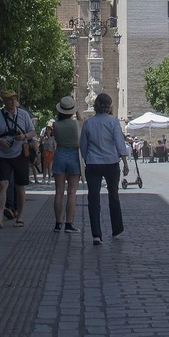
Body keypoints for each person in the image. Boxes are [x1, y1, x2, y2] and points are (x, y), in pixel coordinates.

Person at [80, 93, 130, 244]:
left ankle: (96, 234)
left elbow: (83, 145)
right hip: (111, 163)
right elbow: (119, 143)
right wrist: (125, 161)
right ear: (109, 107)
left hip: (93, 163)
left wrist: (87, 159)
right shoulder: (113, 122)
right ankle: (116, 229)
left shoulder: (88, 123)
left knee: (93, 197)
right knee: (113, 196)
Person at [0, 90, 35, 226]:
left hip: (20, 153)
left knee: (20, 186)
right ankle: (0, 219)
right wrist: (0, 141)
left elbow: (32, 132)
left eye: (14, 99)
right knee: (3, 184)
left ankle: (20, 217)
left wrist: (23, 137)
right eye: (10, 99)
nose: (13, 102)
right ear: (5, 102)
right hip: (4, 155)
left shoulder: (23, 114)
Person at [50, 97, 82, 232]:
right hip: (74, 155)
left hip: (60, 154)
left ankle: (58, 224)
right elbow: (82, 119)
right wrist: (77, 106)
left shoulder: (55, 125)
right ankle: (69, 223)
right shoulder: (77, 124)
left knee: (59, 192)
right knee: (72, 192)